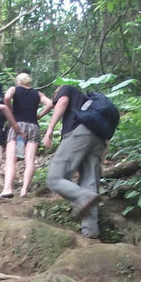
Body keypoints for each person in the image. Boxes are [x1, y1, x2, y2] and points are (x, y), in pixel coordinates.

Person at [43, 84, 106, 239]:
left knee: (55, 178)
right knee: (90, 183)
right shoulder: (92, 109)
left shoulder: (65, 88)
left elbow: (63, 102)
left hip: (77, 133)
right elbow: (107, 139)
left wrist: (49, 129)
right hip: (98, 139)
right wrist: (102, 160)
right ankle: (90, 232)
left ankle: (83, 197)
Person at [0, 73, 53, 199]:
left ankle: (8, 188)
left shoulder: (14, 89)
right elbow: (50, 103)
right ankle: (24, 190)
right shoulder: (37, 93)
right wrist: (39, 116)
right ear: (29, 82)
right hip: (33, 127)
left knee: (11, 159)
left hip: (17, 126)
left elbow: (7, 97)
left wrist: (10, 112)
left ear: (18, 81)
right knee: (29, 160)